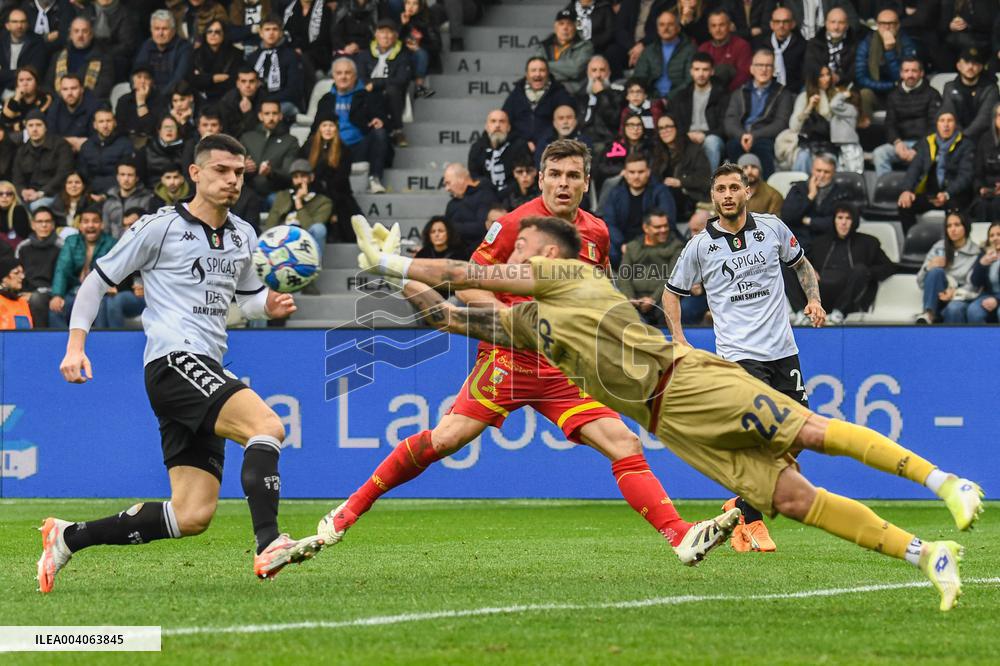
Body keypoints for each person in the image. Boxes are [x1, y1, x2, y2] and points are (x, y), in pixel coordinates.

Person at [358, 178, 985, 612]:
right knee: (793, 498)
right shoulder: (533, 321)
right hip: (672, 423)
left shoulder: (564, 270)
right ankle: (927, 553)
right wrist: (384, 272)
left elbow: (464, 273)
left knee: (809, 432)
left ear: (546, 252)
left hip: (687, 380)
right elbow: (449, 314)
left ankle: (943, 481)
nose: (512, 252)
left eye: (521, 246)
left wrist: (398, 263)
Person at [318, 139, 740, 569]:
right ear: (540, 179)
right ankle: (348, 510)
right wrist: (509, 318)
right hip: (508, 360)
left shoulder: (596, 231)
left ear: (586, 182)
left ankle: (680, 536)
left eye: (573, 176)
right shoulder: (511, 226)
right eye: (554, 175)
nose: (563, 183)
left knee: (624, 442)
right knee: (446, 439)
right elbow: (467, 283)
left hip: (564, 366)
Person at [38, 134, 324, 595]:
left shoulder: (244, 235)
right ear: (195, 172)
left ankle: (68, 537)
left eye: (239, 173)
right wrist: (75, 346)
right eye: (221, 170)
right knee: (267, 425)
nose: (232, 180)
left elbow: (247, 299)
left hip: (203, 364)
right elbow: (96, 282)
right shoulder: (160, 227)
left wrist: (269, 306)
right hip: (174, 360)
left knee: (191, 515)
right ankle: (269, 542)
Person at [661, 158, 825, 551]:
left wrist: (814, 299)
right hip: (739, 356)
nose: (728, 195)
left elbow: (801, 264)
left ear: (747, 191)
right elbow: (671, 294)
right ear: (713, 196)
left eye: (735, 188)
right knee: (760, 437)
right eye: (721, 190)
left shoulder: (772, 228)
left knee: (798, 438)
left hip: (784, 351)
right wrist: (680, 339)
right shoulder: (701, 245)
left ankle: (739, 506)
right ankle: (752, 521)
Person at [807, 203, 896, 323]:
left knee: (860, 269)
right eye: (840, 218)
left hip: (849, 294)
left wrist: (866, 273)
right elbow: (802, 262)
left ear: (854, 221)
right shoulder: (819, 242)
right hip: (821, 292)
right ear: (834, 220)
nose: (843, 222)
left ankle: (839, 312)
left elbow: (888, 267)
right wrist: (808, 269)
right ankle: (802, 314)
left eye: (848, 218)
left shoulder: (869, 243)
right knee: (789, 267)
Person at [312, 57, 390, 194]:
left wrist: (378, 120)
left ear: (355, 76)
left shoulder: (368, 96)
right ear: (334, 76)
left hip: (358, 147)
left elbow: (385, 121)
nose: (343, 77)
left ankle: (375, 178)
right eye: (339, 73)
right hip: (332, 148)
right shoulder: (326, 100)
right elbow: (315, 128)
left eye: (347, 73)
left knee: (379, 133)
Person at [897, 112, 974, 234]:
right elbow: (914, 168)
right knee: (905, 204)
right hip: (932, 195)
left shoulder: (965, 144)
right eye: (942, 121)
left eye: (950, 121)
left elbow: (965, 176)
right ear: (936, 124)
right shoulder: (927, 143)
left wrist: (947, 193)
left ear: (956, 124)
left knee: (955, 207)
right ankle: (912, 241)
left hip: (954, 195)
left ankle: (952, 243)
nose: (946, 125)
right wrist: (907, 190)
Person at [723, 48, 793, 178]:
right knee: (732, 146)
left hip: (766, 138)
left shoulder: (783, 93)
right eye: (759, 65)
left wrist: (754, 135)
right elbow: (730, 120)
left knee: (762, 148)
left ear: (773, 70)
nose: (764, 69)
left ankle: (767, 191)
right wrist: (742, 135)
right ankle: (736, 191)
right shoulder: (740, 92)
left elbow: (781, 123)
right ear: (751, 69)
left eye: (768, 65)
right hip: (741, 137)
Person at [600, 152, 677, 266]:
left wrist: (638, 246)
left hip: (652, 241)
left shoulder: (661, 191)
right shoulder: (615, 193)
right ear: (625, 174)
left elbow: (667, 222)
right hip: (623, 244)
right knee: (607, 253)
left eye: (640, 172)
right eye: (632, 172)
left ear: (648, 172)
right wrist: (623, 244)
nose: (636, 176)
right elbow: (609, 223)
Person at [48, 206, 115, 329]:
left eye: (95, 221)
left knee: (102, 307)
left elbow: (115, 270)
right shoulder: (71, 241)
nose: (90, 225)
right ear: (79, 225)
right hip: (75, 292)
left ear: (102, 225)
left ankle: (102, 346)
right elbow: (62, 269)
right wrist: (57, 295)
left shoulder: (111, 243)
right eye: (86, 221)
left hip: (100, 294)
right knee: (55, 309)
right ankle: (65, 346)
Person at [871, 58, 941, 177]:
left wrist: (918, 148)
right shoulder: (893, 95)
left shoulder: (932, 94)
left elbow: (935, 126)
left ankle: (922, 193)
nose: (910, 75)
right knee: (879, 153)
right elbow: (889, 124)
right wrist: (897, 142)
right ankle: (887, 191)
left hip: (925, 144)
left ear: (921, 73)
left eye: (914, 71)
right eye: (907, 71)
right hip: (901, 144)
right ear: (901, 74)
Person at [619, 209, 683, 326]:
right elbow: (624, 276)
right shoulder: (632, 247)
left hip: (661, 299)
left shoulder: (677, 247)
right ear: (646, 228)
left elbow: (671, 277)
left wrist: (653, 299)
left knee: (668, 308)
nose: (663, 230)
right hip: (636, 299)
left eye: (665, 226)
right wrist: (630, 298)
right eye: (658, 227)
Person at [915, 211, 982, 324]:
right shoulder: (938, 247)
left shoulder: (976, 253)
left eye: (957, 225)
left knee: (954, 308)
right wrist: (929, 267)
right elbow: (920, 282)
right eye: (949, 226)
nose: (952, 229)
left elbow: (974, 286)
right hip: (937, 297)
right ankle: (929, 315)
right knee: (935, 271)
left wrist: (954, 293)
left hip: (961, 297)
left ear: (966, 227)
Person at [666, 52, 729, 171]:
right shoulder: (681, 96)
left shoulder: (722, 95)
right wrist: (686, 134)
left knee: (711, 142)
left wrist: (705, 135)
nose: (701, 74)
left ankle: (709, 184)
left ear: (712, 71)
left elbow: (725, 126)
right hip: (686, 135)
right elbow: (675, 122)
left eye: (705, 70)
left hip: (712, 137)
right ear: (691, 71)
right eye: (697, 69)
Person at [300, 120, 360, 242]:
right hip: (313, 191)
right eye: (324, 125)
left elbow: (342, 178)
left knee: (345, 209)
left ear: (336, 129)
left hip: (338, 193)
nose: (328, 129)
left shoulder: (345, 150)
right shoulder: (308, 146)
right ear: (319, 129)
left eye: (331, 126)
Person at [356, 18, 411, 147]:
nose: (385, 36)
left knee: (393, 91)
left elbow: (402, 79)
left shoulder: (402, 55)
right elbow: (361, 76)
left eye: (389, 32)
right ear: (376, 34)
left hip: (389, 91)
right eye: (382, 32)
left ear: (396, 35)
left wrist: (376, 84)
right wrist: (369, 86)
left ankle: (397, 130)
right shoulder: (364, 54)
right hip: (368, 91)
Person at [779, 154, 852, 251]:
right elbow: (788, 217)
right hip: (798, 244)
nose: (821, 175)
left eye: (826, 172)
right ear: (812, 170)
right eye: (818, 170)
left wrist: (809, 221)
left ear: (834, 173)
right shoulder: (798, 188)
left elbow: (836, 223)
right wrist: (810, 196)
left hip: (828, 244)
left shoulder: (842, 193)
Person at [853, 8, 917, 118]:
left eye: (891, 24)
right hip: (877, 92)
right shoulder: (867, 43)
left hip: (901, 93)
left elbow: (904, 76)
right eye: (883, 24)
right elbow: (861, 77)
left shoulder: (907, 43)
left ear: (898, 25)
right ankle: (868, 132)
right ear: (877, 25)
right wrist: (890, 85)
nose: (887, 27)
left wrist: (890, 51)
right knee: (864, 94)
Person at [502, 57, 575, 150]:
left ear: (548, 73)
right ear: (527, 74)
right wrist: (521, 143)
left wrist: (545, 142)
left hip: (551, 146)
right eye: (533, 70)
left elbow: (568, 121)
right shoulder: (516, 94)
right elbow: (505, 121)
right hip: (519, 147)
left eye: (542, 70)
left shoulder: (559, 93)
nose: (537, 74)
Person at [650, 111, 710, 222]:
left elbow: (705, 179)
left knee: (667, 191)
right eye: (661, 128)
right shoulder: (658, 152)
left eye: (668, 126)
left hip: (689, 198)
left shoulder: (693, 150)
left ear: (677, 128)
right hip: (664, 196)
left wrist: (680, 182)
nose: (664, 131)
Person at [266, 159, 332, 257]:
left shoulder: (323, 202)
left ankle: (313, 267)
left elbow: (311, 228)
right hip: (283, 237)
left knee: (319, 228)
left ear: (311, 177)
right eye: (296, 177)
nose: (299, 181)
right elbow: (270, 225)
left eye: (303, 176)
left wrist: (299, 203)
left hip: (306, 240)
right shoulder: (282, 196)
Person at [12, 110, 73, 212]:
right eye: (30, 125)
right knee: (15, 208)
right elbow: (17, 177)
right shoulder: (22, 150)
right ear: (26, 128)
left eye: (38, 125)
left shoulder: (60, 145)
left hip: (54, 194)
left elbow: (64, 173)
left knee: (36, 206)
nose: (34, 129)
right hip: (29, 195)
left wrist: (41, 193)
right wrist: (23, 191)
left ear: (45, 127)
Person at [240, 100, 300, 201]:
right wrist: (242, 167)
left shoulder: (290, 141)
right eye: (267, 114)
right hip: (248, 191)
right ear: (260, 116)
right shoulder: (247, 138)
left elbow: (289, 174)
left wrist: (270, 173)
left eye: (274, 113)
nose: (271, 118)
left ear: (280, 116)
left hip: (275, 192)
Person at [247, 16, 305, 118]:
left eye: (275, 29)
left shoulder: (291, 56)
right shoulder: (253, 57)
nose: (271, 33)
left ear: (281, 33)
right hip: (258, 102)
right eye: (267, 29)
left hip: (284, 102)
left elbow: (293, 90)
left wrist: (268, 101)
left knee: (271, 113)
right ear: (261, 33)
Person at [45, 16, 113, 101]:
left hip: (91, 104)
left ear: (91, 34)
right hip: (60, 104)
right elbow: (48, 85)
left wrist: (78, 100)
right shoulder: (58, 56)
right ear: (71, 35)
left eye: (84, 31)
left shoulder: (104, 58)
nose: (80, 35)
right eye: (76, 31)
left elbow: (103, 88)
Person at [468, 109, 532, 198]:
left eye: (502, 121)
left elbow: (525, 174)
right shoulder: (477, 148)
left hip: (514, 197)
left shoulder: (520, 146)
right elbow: (474, 176)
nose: (497, 125)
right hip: (485, 196)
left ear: (509, 127)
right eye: (493, 121)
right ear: (487, 127)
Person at [14, 206, 61, 327]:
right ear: (33, 225)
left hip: (51, 292)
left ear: (53, 224)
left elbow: (62, 277)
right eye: (40, 222)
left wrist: (37, 293)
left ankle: (39, 338)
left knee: (36, 299)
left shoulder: (61, 246)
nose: (44, 225)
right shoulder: (23, 247)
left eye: (47, 221)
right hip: (26, 291)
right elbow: (16, 273)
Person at [133, 10, 194, 102]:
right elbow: (136, 72)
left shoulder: (184, 48)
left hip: (173, 98)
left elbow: (178, 79)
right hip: (147, 95)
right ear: (151, 30)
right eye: (157, 29)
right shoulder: (147, 45)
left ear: (173, 31)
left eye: (165, 29)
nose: (160, 33)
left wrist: (158, 98)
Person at [633, 9, 694, 101]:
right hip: (651, 99)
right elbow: (639, 78)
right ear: (657, 29)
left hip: (679, 100)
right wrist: (652, 99)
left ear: (678, 28)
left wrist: (668, 98)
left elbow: (690, 81)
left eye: (670, 24)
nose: (666, 28)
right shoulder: (649, 51)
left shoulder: (690, 49)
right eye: (662, 25)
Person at [940, 47, 998, 143]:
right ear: (958, 66)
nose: (970, 67)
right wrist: (957, 137)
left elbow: (984, 119)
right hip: (954, 138)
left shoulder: (990, 88)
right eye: (966, 62)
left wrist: (963, 137)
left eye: (975, 63)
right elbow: (949, 113)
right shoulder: (949, 87)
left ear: (981, 67)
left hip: (983, 139)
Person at [102, 208, 148, 329]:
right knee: (102, 301)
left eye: (132, 224)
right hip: (132, 295)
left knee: (117, 300)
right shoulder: (124, 247)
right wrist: (114, 287)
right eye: (125, 226)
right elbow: (122, 279)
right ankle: (98, 344)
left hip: (154, 297)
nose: (129, 229)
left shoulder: (158, 245)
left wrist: (148, 289)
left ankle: (115, 342)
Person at [534, 9, 595, 96]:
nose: (565, 28)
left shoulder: (585, 46)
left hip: (572, 93)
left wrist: (546, 65)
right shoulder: (544, 46)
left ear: (575, 26)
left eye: (569, 24)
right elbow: (538, 69)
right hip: (546, 91)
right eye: (561, 23)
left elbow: (575, 70)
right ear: (555, 27)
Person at [442, 162, 499, 250]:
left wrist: (452, 228)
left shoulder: (485, 194)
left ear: (461, 179)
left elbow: (483, 227)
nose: (447, 189)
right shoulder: (451, 205)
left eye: (448, 183)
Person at [78, 109, 135, 195]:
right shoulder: (86, 146)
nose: (105, 125)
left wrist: (106, 195)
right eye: (101, 121)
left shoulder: (125, 144)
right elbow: (83, 173)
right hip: (90, 192)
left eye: (108, 121)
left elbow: (125, 174)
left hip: (117, 191)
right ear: (95, 125)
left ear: (115, 123)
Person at [575, 55, 623, 155]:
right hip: (582, 143)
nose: (598, 75)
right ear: (588, 74)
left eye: (602, 70)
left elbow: (613, 120)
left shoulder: (617, 95)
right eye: (594, 70)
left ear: (608, 73)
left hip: (606, 143)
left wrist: (602, 94)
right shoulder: (580, 97)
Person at [752, 7, 806, 93]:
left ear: (793, 24)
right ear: (771, 25)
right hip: (764, 92)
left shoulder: (802, 45)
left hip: (793, 92)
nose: (781, 25)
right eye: (777, 22)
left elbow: (805, 75)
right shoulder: (759, 43)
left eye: (785, 22)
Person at [84, 0, 141, 82]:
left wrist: (103, 53)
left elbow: (127, 45)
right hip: (90, 53)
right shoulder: (88, 12)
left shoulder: (125, 14)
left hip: (114, 57)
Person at [698, 9, 753, 92]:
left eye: (722, 25)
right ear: (709, 29)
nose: (718, 29)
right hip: (706, 93)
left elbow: (744, 75)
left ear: (730, 26)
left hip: (733, 93)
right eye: (713, 26)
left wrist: (724, 93)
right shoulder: (703, 48)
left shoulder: (742, 45)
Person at [803, 7, 858, 88]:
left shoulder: (856, 43)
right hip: (819, 85)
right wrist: (825, 77)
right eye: (832, 22)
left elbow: (857, 69)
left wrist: (839, 77)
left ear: (847, 25)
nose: (836, 27)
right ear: (826, 23)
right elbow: (810, 68)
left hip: (847, 85)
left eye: (841, 23)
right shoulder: (814, 43)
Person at [192, 19, 244, 104]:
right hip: (201, 99)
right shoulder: (195, 54)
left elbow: (233, 81)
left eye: (217, 32)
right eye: (209, 31)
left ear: (224, 34)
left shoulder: (236, 54)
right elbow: (193, 80)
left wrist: (204, 78)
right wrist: (213, 78)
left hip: (227, 99)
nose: (213, 34)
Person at [45, 73, 99, 153]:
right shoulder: (55, 106)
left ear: (82, 89)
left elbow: (97, 139)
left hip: (87, 155)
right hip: (60, 153)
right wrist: (72, 141)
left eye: (74, 88)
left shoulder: (94, 107)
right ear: (60, 91)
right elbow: (50, 137)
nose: (69, 93)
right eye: (65, 89)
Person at [400, 0, 441, 99]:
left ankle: (419, 87)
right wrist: (403, 25)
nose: (411, 7)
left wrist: (418, 47)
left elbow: (437, 45)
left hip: (422, 57)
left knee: (421, 53)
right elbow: (392, 43)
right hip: (401, 57)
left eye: (414, 4)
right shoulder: (398, 18)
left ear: (420, 5)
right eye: (408, 3)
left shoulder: (428, 20)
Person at [0, 9, 47, 94]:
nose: (19, 26)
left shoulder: (37, 43)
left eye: (23, 21)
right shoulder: (1, 41)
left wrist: (4, 74)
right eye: (15, 22)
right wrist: (20, 72)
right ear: (7, 25)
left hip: (28, 91)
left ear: (27, 24)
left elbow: (35, 72)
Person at [103, 161, 154, 239]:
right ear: (117, 177)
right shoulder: (109, 201)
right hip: (112, 247)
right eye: (122, 174)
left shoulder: (147, 199)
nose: (126, 179)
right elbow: (105, 231)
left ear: (137, 178)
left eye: (130, 175)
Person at [139, 116, 190, 190]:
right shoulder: (147, 150)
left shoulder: (186, 149)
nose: (169, 130)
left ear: (177, 131)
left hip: (180, 191)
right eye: (166, 127)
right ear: (159, 131)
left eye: (172, 127)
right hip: (153, 191)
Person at [1, 67, 53, 133]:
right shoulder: (12, 100)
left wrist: (16, 126)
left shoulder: (45, 98)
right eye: (21, 80)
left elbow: (36, 119)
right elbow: (5, 122)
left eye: (29, 79)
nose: (25, 84)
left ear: (36, 82)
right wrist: (17, 98)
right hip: (15, 137)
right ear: (17, 84)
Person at [114, 66, 158, 144]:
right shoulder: (124, 100)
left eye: (147, 78)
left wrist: (141, 102)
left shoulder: (159, 100)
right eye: (139, 77)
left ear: (151, 82)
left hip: (150, 142)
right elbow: (119, 128)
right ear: (133, 80)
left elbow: (151, 128)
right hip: (126, 141)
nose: (142, 81)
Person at [218, 66, 265, 139]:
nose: (247, 85)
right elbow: (229, 132)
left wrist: (248, 114)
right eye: (243, 81)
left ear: (258, 83)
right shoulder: (227, 101)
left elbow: (262, 129)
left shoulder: (265, 99)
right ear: (238, 84)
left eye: (251, 81)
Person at [967, 222, 1000, 324]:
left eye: (999, 234)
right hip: (988, 295)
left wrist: (997, 300)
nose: (995, 238)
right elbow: (975, 282)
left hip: (997, 297)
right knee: (974, 311)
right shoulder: (984, 254)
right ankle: (981, 340)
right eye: (991, 235)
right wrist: (982, 264)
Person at [973, 103, 1000, 221]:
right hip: (988, 189)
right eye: (999, 115)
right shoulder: (985, 139)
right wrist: (981, 188)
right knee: (980, 205)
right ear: (994, 118)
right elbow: (978, 172)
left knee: (996, 205)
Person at [0, 254, 31, 329]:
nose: (22, 277)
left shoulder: (23, 303)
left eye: (22, 273)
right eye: (16, 273)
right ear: (4, 278)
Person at [0, 180, 31, 251]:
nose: (4, 196)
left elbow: (22, 237)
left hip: (17, 250)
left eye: (9, 194)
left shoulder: (19, 210)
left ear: (14, 196)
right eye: (0, 193)